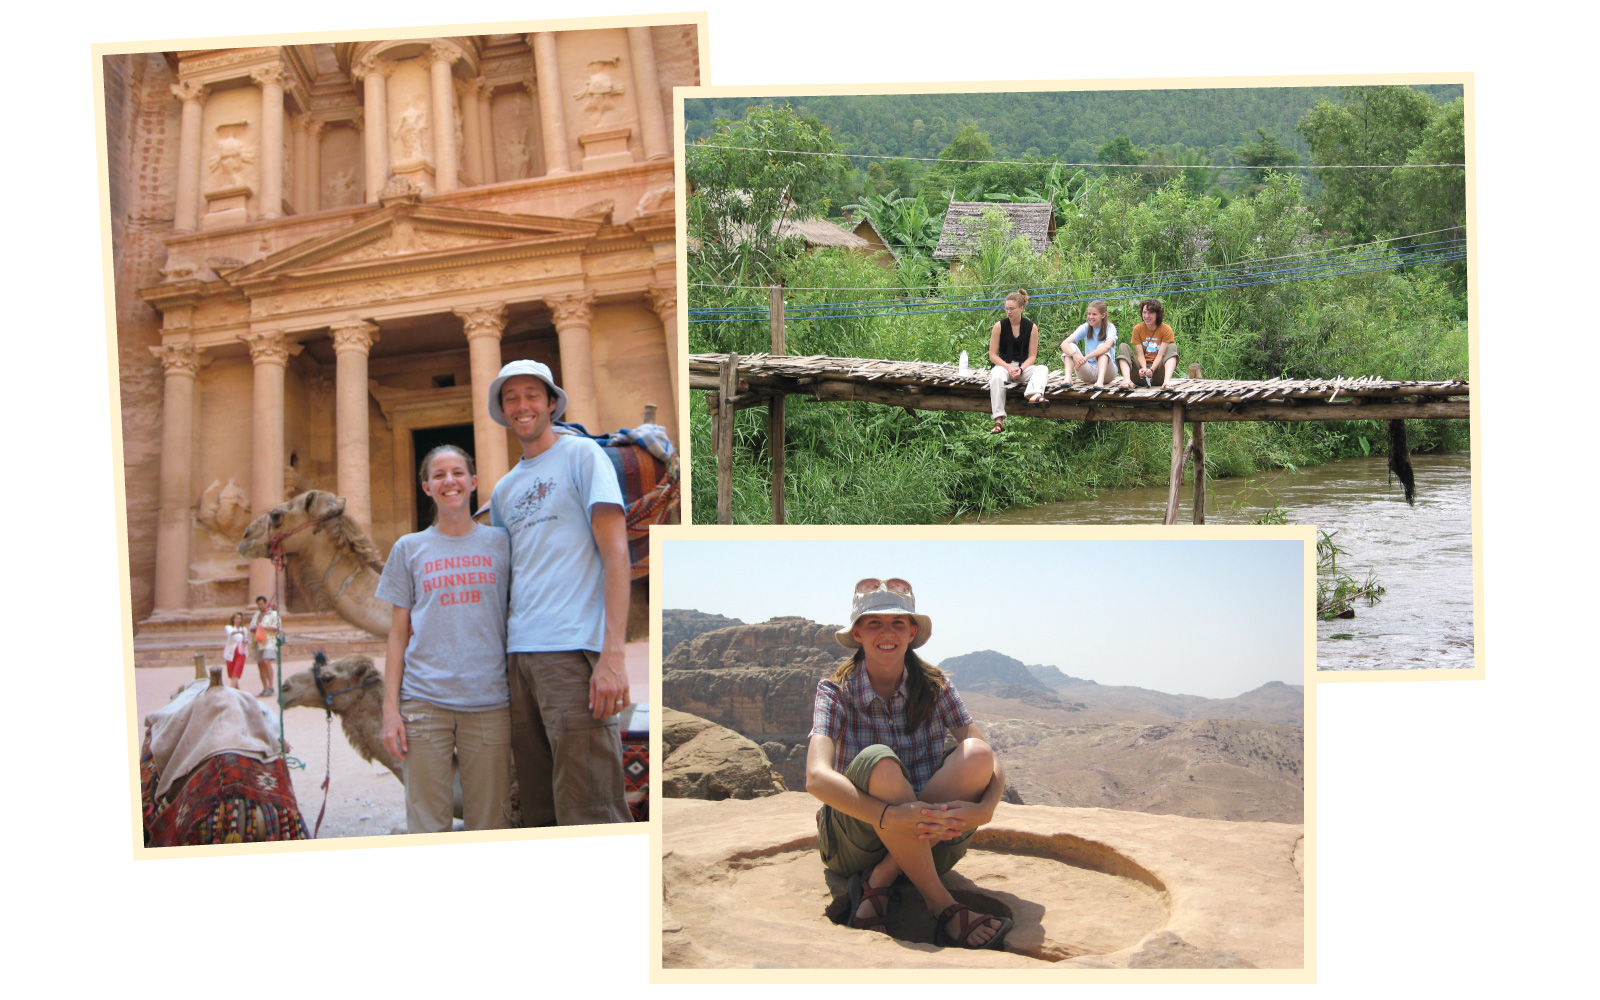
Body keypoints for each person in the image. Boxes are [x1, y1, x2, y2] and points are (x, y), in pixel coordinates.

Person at [806, 577, 1013, 950]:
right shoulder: (835, 690)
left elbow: (989, 760)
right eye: (874, 623)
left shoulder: (936, 686)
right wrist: (887, 816)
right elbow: (816, 778)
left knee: (977, 754)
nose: (887, 632)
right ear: (857, 633)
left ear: (912, 631)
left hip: (932, 836)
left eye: (897, 623)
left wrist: (986, 809)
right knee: (880, 763)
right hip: (857, 840)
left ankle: (882, 877)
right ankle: (942, 906)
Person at [487, 359, 633, 827]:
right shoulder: (504, 490)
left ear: (551, 403)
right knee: (538, 805)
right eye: (512, 398)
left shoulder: (582, 457)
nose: (522, 406)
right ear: (503, 410)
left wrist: (612, 657)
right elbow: (507, 580)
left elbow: (615, 554)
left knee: (591, 803)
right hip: (519, 658)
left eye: (532, 395)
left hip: (571, 649)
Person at [376, 444, 513, 833]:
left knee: (490, 822)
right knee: (426, 823)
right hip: (424, 703)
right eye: (438, 475)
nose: (448, 481)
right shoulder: (409, 549)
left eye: (456, 473)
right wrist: (391, 711)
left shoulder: (501, 544)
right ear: (426, 487)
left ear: (473, 482)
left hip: (489, 701)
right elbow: (398, 635)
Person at [985, 288, 1050, 434]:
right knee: (996, 377)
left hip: (1023, 367)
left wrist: (1020, 369)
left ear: (1021, 308)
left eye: (1012, 309)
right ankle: (998, 420)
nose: (1009, 312)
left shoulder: (1031, 327)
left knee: (1042, 369)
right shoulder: (999, 326)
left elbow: (1032, 356)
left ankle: (1034, 395)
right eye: (1007, 308)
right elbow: (993, 355)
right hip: (1004, 366)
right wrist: (1008, 368)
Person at [1117, 298, 1180, 388]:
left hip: (1158, 373)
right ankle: (1127, 380)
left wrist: (1152, 370)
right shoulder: (1138, 329)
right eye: (1144, 312)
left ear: (1157, 314)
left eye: (1150, 313)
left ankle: (1166, 382)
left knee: (1173, 347)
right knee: (1123, 346)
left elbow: (1160, 355)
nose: (1146, 316)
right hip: (1141, 375)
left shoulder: (1166, 329)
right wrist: (1144, 369)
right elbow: (1140, 355)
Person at [1060, 299, 1118, 387]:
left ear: (1103, 315)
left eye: (1094, 314)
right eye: (1089, 314)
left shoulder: (1110, 328)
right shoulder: (1085, 327)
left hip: (1107, 373)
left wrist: (1086, 357)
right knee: (1070, 346)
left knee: (1102, 347)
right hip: (1088, 370)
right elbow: (1064, 344)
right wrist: (1074, 355)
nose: (1090, 317)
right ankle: (1068, 378)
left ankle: (1100, 381)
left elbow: (1107, 347)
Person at [248, 596, 280, 697]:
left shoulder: (273, 614)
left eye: (261, 604)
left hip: (269, 641)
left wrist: (264, 627)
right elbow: (251, 627)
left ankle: (271, 686)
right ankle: (265, 687)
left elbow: (277, 627)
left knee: (266, 661)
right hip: (259, 641)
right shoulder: (257, 615)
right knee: (260, 664)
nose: (260, 606)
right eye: (258, 604)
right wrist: (256, 627)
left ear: (266, 604)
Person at [222, 612, 248, 690]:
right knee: (231, 673)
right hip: (230, 653)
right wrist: (239, 632)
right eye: (236, 618)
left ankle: (232, 691)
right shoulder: (228, 627)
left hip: (240, 652)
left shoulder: (244, 629)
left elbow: (245, 639)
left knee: (235, 673)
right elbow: (231, 633)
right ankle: (238, 691)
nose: (238, 620)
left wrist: (245, 641)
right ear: (233, 619)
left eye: (239, 618)